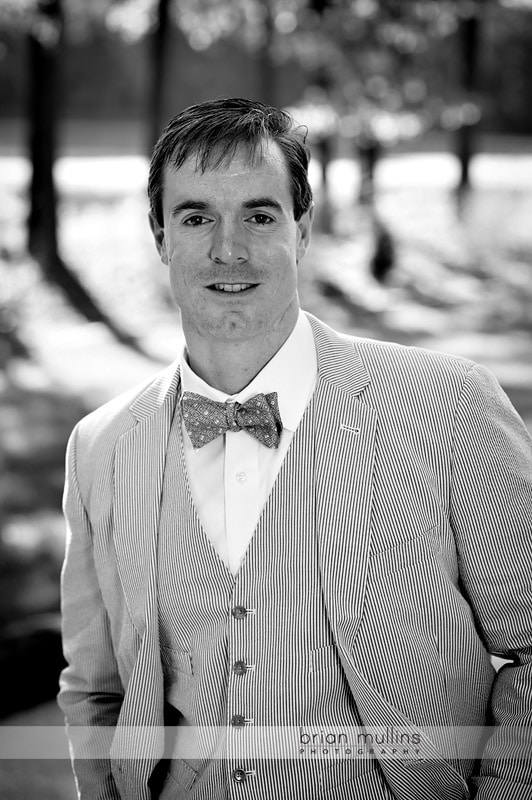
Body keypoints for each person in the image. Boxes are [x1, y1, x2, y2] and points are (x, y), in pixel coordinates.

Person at [58, 97, 532, 800]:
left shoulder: (450, 405)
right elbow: (95, 693)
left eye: (259, 214)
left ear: (302, 229)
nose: (228, 249)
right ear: (160, 237)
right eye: (196, 218)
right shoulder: (101, 447)